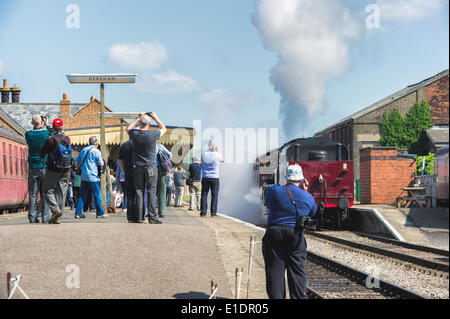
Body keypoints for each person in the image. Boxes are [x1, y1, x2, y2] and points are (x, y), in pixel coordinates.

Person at [262, 164, 317, 299]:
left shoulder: (275, 191)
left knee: (275, 270)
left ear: (286, 178)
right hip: (295, 235)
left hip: (274, 233)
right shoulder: (307, 197)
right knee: (297, 271)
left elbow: (267, 203)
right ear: (301, 179)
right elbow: (313, 212)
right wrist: (305, 191)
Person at [126, 112, 166, 224]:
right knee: (151, 192)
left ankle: (139, 217)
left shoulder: (134, 133)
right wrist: (156, 118)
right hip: (151, 166)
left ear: (140, 123)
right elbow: (164, 129)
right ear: (149, 123)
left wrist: (137, 118)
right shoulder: (153, 134)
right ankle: (152, 218)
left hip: (137, 166)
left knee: (139, 192)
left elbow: (128, 128)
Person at [40, 118, 73, 224]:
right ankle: (57, 217)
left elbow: (43, 152)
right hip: (66, 170)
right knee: (61, 194)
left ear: (54, 128)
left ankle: (55, 210)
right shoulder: (67, 139)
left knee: (47, 191)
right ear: (62, 127)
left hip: (53, 170)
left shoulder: (50, 139)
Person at [25, 115, 51, 223]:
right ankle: (45, 217)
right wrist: (47, 124)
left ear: (32, 123)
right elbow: (54, 134)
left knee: (32, 194)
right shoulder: (46, 133)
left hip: (33, 167)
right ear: (42, 122)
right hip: (44, 166)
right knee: (44, 193)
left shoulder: (28, 134)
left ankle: (32, 217)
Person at [74, 136, 107, 219]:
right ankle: (100, 213)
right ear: (96, 143)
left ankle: (78, 213)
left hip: (84, 176)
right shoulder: (96, 151)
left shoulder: (83, 150)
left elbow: (76, 163)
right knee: (97, 194)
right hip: (93, 176)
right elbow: (101, 164)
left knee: (82, 195)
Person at [200, 139, 224, 217]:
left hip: (205, 177)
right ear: (215, 146)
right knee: (214, 195)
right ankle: (213, 213)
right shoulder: (218, 154)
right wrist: (218, 151)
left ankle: (203, 213)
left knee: (204, 195)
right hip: (215, 177)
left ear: (208, 146)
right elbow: (222, 160)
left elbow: (201, 162)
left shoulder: (203, 154)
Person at [118, 139, 137, 223]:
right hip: (139, 172)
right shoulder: (141, 142)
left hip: (128, 173)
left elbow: (120, 160)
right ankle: (138, 216)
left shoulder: (125, 145)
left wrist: (124, 170)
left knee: (129, 195)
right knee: (139, 194)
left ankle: (130, 217)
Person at [156, 143, 172, 218]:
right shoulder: (160, 146)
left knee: (151, 190)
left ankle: (151, 211)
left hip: (151, 168)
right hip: (161, 169)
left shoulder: (147, 144)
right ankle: (162, 212)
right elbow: (170, 155)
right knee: (162, 191)